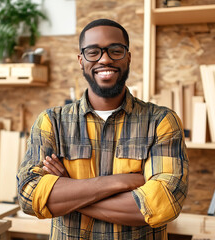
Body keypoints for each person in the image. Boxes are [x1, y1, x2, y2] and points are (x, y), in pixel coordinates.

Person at [17, 18, 189, 239]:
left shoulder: (161, 121)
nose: (105, 59)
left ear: (128, 57)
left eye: (115, 50)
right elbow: (29, 196)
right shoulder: (51, 122)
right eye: (93, 52)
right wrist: (120, 182)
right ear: (81, 60)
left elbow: (165, 202)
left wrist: (68, 191)